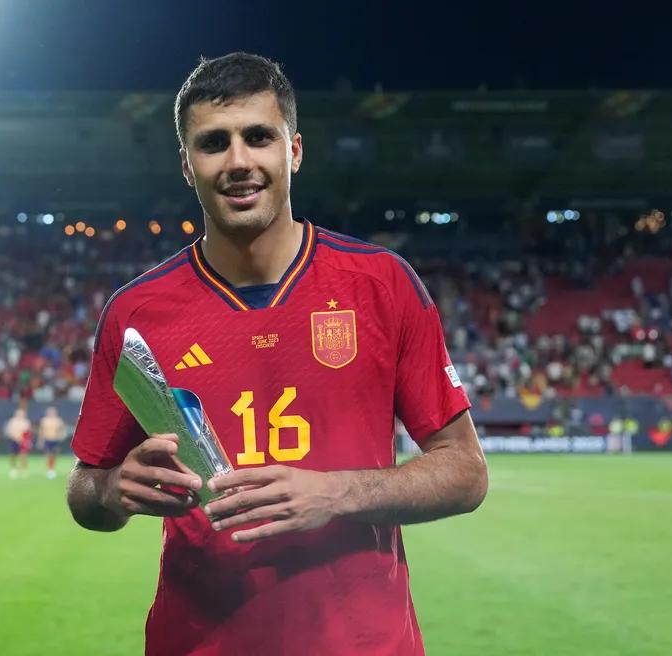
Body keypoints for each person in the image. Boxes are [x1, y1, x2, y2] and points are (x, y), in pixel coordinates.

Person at [66, 52, 488, 655]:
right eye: (214, 143)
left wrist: (336, 493)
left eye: (258, 137)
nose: (239, 161)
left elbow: (466, 473)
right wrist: (112, 493)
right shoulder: (137, 311)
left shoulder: (382, 284)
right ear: (188, 166)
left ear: (293, 150)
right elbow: (86, 490)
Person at [38, 405, 67, 480]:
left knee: (53, 456)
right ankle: (50, 470)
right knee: (48, 455)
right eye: (49, 412)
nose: (51, 413)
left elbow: (63, 429)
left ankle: (51, 469)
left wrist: (62, 435)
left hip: (55, 440)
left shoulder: (58, 420)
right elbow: (41, 431)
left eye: (52, 412)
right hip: (47, 440)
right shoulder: (44, 420)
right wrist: (40, 440)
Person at [5, 407, 32, 479]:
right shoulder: (12, 421)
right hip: (14, 440)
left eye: (22, 414)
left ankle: (23, 469)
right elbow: (9, 431)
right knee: (13, 455)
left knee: (23, 455)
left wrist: (26, 440)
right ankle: (13, 469)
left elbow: (28, 433)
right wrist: (15, 437)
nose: (20, 415)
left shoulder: (26, 422)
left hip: (23, 441)